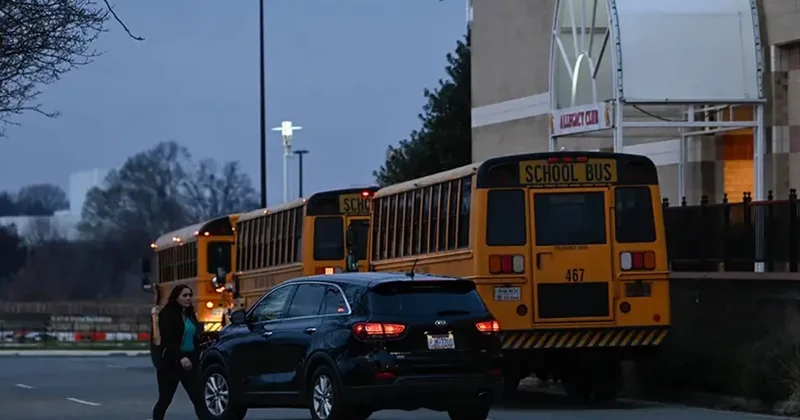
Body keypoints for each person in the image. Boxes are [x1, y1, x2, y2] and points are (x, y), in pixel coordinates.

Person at [152, 285, 205, 420]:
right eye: (184, 296)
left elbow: (194, 336)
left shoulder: (190, 314)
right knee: (165, 400)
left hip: (190, 362)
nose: (188, 298)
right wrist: (180, 357)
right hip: (171, 364)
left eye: (190, 295)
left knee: (199, 399)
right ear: (176, 297)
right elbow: (167, 339)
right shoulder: (167, 314)